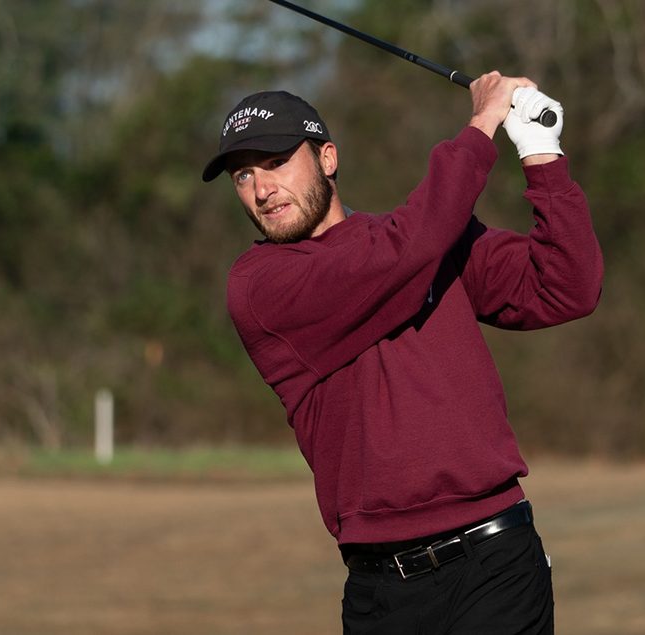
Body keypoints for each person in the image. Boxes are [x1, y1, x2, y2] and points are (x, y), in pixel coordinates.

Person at [201, 72, 603, 634]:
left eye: (275, 163)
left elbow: (567, 285)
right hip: (383, 593)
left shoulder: (427, 238)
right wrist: (483, 123)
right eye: (243, 175)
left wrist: (540, 151)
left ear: (328, 158)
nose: (261, 188)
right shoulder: (260, 287)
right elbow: (404, 255)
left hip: (497, 562)